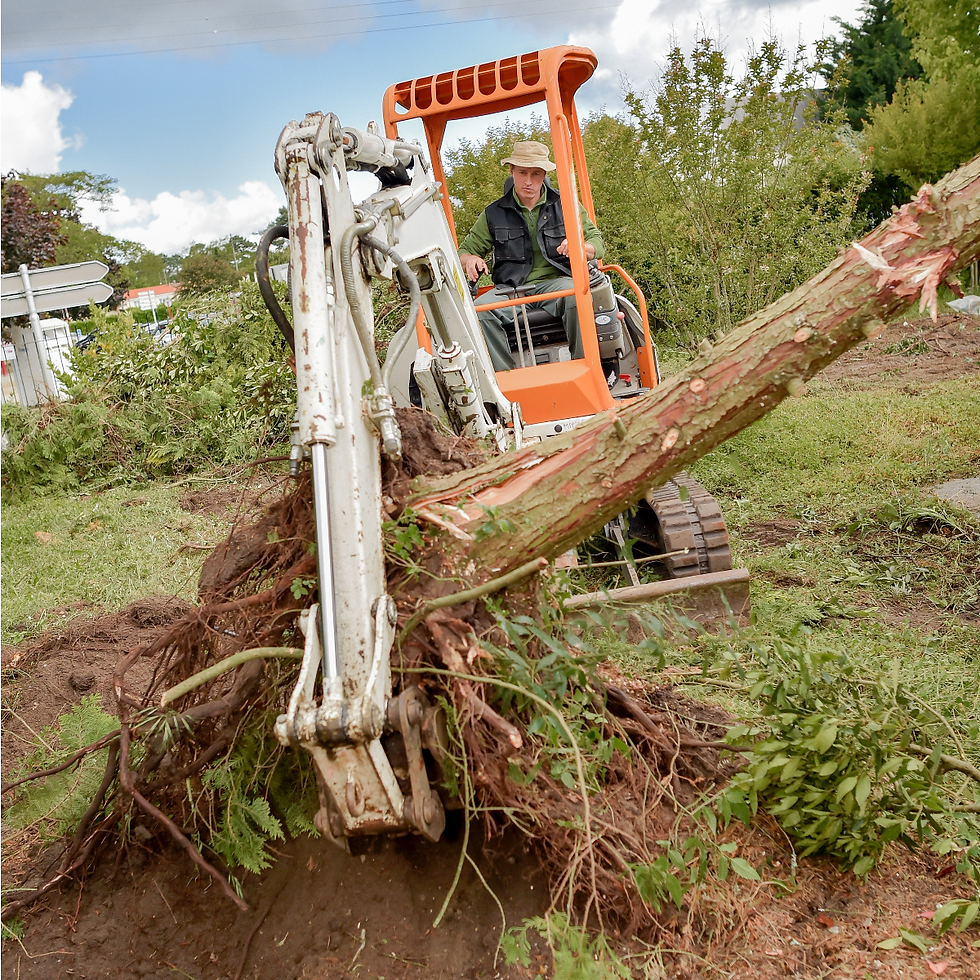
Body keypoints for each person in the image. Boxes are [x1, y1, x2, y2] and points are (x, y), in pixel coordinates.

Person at [458, 140, 604, 371]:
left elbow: (596, 242)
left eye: (536, 174)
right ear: (511, 171)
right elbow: (464, 252)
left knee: (577, 297)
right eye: (523, 173)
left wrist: (579, 245)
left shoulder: (566, 205)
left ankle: (587, 370)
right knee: (479, 313)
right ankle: (504, 383)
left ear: (544, 175)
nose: (528, 181)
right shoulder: (492, 214)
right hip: (511, 290)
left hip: (557, 284)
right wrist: (471, 259)